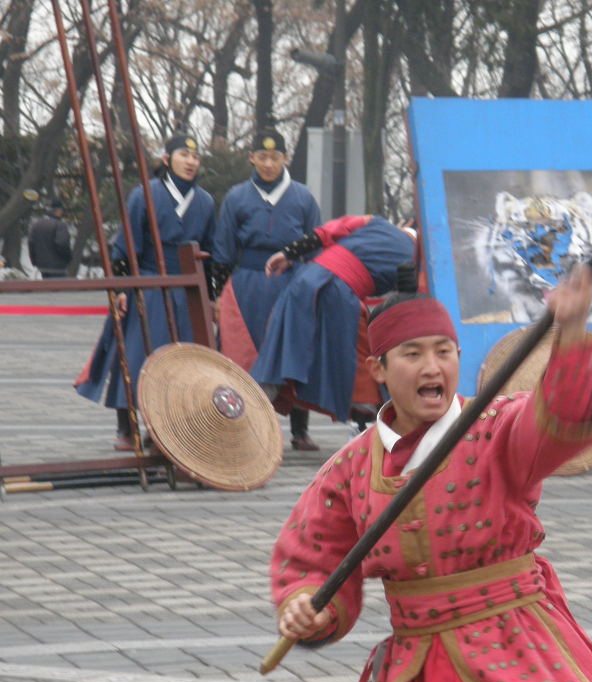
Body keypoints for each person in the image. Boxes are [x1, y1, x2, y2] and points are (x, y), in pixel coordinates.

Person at [270, 265, 592, 682]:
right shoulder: (348, 468)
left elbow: (557, 417)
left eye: (443, 351)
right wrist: (307, 606)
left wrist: (570, 332)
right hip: (416, 673)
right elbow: (312, 555)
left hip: (517, 653)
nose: (431, 367)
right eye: (413, 355)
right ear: (379, 370)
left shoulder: (496, 428)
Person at [75, 135, 216, 450]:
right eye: (183, 154)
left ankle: (167, 430)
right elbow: (125, 245)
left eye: (195, 157)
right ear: (167, 159)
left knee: (183, 362)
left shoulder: (205, 201)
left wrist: (210, 296)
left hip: (187, 288)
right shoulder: (144, 195)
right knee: (137, 354)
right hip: (149, 284)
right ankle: (127, 426)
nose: (191, 162)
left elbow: (210, 252)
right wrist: (124, 286)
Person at [209, 128, 322, 451]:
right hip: (247, 283)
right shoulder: (237, 197)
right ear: (252, 158)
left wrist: (312, 286)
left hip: (292, 283)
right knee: (245, 353)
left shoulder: (302, 197)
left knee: (297, 351)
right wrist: (217, 293)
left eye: (275, 157)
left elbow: (315, 245)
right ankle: (244, 424)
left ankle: (300, 429)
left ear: (285, 158)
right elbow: (223, 249)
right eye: (262, 156)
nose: (269, 163)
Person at [250, 215, 414, 429]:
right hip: (339, 295)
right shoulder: (417, 258)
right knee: (359, 361)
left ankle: (248, 410)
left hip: (305, 281)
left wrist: (289, 252)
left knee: (279, 354)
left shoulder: (373, 221)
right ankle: (368, 422)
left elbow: (325, 232)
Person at [28, 200, 73, 278]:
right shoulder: (59, 225)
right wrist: (68, 258)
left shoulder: (36, 225)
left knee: (47, 287)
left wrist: (34, 261)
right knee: (59, 288)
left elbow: (31, 243)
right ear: (58, 211)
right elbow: (62, 243)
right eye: (61, 210)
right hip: (58, 268)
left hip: (42, 267)